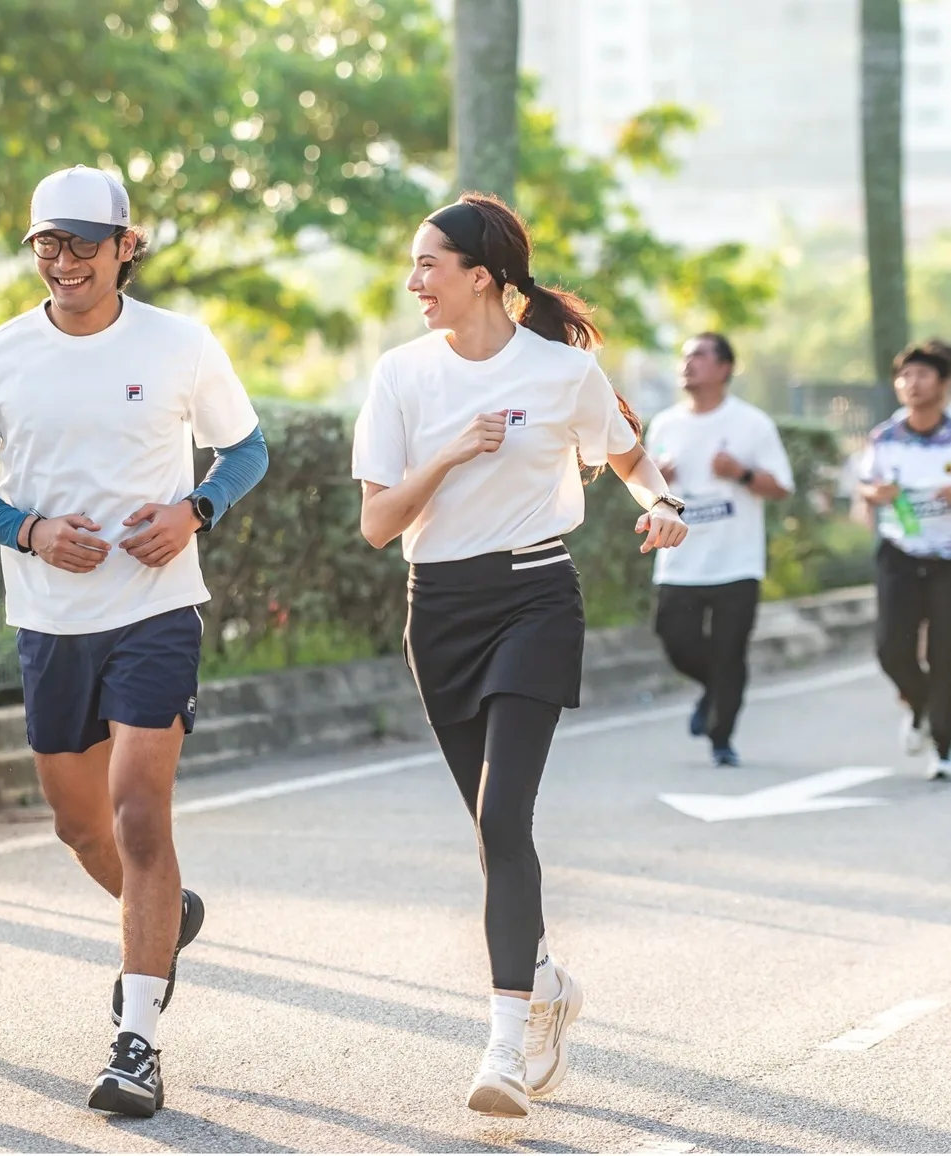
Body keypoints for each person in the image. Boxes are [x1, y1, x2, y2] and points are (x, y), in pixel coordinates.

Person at [0, 165, 268, 1117]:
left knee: (138, 813)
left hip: (156, 609)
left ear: (125, 246)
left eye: (83, 241)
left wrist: (195, 509)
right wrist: (30, 531)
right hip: (50, 623)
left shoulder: (179, 343)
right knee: (80, 826)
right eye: (48, 242)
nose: (64, 259)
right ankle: (165, 917)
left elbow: (245, 449)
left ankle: (137, 1042)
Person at [351, 192, 687, 1119]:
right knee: (490, 829)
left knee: (504, 815)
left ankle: (505, 1045)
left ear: (481, 277)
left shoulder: (562, 373)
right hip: (438, 610)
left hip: (536, 595)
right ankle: (544, 982)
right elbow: (377, 525)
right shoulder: (400, 375)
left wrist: (664, 505)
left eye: (428, 264)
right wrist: (451, 454)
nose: (414, 282)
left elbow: (629, 458)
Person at [645, 333, 793, 767]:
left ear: (725, 367)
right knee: (675, 641)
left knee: (730, 651)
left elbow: (781, 486)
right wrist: (660, 482)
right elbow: (647, 490)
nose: (687, 363)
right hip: (680, 560)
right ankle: (716, 689)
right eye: (684, 356)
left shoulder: (752, 423)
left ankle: (721, 737)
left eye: (699, 356)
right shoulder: (665, 424)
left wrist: (740, 473)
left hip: (737, 561)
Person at [858, 341, 951, 779]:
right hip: (899, 553)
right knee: (891, 648)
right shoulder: (885, 437)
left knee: (946, 654)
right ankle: (919, 704)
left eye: (923, 375)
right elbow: (865, 486)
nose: (912, 383)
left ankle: (944, 748)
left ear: (943, 384)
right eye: (905, 376)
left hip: (947, 558)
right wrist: (875, 494)